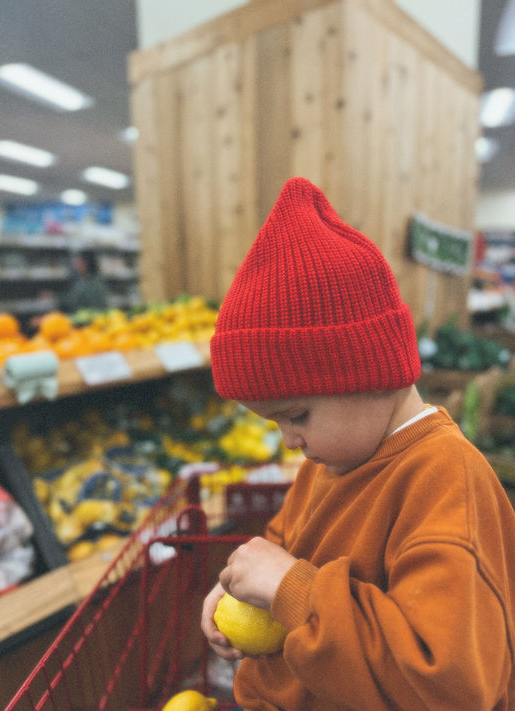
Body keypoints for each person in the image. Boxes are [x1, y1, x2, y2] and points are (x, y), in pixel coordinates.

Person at [201, 177, 515, 710]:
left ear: (369, 371)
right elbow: (289, 544)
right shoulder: (335, 457)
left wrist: (291, 591)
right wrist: (243, 584)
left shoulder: (445, 481)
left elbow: (448, 685)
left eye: (296, 415)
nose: (290, 440)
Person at [58, 249, 108, 313]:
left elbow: (96, 308)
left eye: (78, 262)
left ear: (87, 263)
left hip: (89, 321)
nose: (74, 265)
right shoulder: (81, 280)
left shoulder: (95, 284)